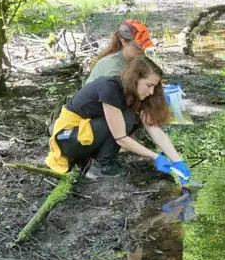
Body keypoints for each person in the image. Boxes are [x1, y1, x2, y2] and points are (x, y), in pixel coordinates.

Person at [46, 56, 195, 182]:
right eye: (149, 85)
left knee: (130, 117)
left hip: (84, 136)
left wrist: (177, 161)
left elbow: (154, 129)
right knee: (128, 118)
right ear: (135, 78)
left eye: (154, 87)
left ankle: (95, 159)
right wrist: (156, 157)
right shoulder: (110, 89)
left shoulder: (133, 94)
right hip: (68, 140)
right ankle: (100, 167)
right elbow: (120, 137)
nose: (151, 92)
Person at [86, 19, 153, 84]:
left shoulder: (139, 55)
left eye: (144, 45)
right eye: (138, 46)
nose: (142, 49)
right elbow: (112, 92)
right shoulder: (112, 66)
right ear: (124, 42)